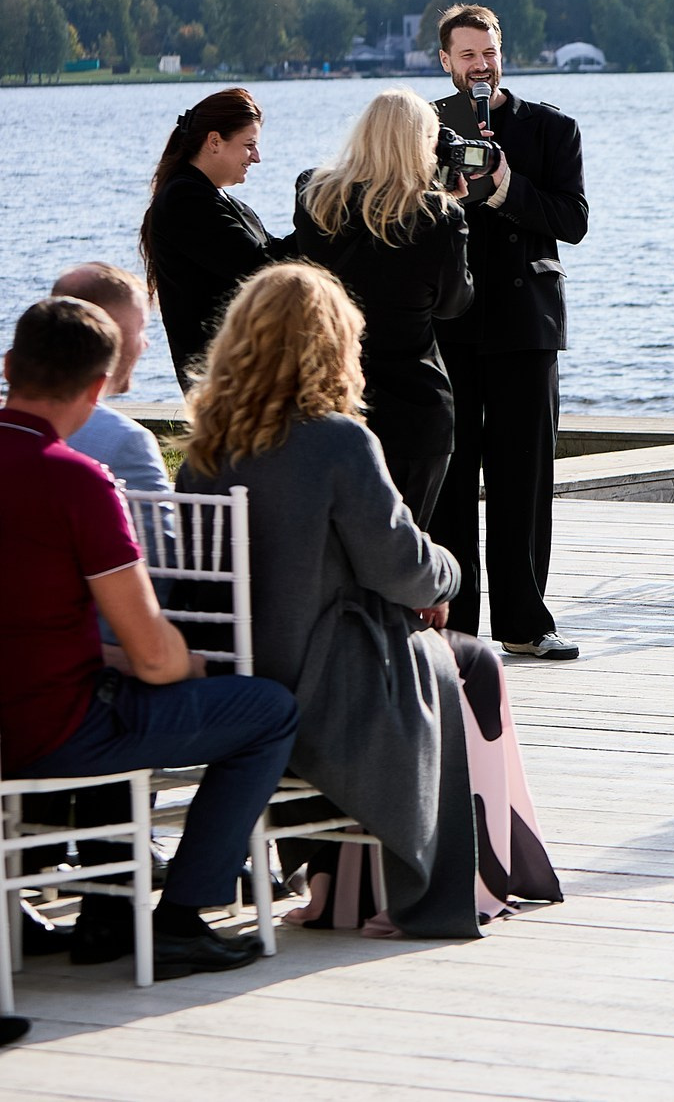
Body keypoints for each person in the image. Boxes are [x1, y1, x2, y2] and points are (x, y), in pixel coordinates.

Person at [178, 263, 558, 937]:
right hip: (326, 677)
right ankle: (453, 885)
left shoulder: (207, 449)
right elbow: (403, 566)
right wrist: (447, 578)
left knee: (444, 652)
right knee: (471, 664)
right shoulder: (337, 440)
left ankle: (331, 884)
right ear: (333, 344)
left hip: (238, 675)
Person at [0, 296, 298, 977]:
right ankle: (183, 916)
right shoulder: (76, 481)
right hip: (56, 728)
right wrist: (190, 664)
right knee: (267, 709)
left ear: (10, 365)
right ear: (100, 385)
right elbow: (154, 656)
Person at [428, 5, 587, 659]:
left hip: (527, 326)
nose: (481, 66)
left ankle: (524, 622)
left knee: (526, 479)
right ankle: (457, 627)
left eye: (489, 52)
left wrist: (505, 189)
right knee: (453, 480)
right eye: (468, 56)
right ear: (445, 60)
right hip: (450, 323)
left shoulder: (551, 128)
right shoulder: (424, 128)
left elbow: (573, 219)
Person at [293, 88, 474, 525]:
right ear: (422, 144)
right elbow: (454, 304)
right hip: (414, 408)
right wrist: (453, 204)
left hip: (334, 395)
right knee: (403, 550)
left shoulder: (314, 194)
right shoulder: (439, 217)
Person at [139, 86, 295, 389]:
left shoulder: (217, 200)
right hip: (224, 391)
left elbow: (274, 256)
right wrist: (320, 219)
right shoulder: (186, 200)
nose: (257, 157)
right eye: (249, 145)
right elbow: (260, 269)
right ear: (214, 141)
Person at [49, 263, 170, 493]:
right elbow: (153, 528)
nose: (146, 343)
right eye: (140, 328)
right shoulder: (126, 442)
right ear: (107, 333)